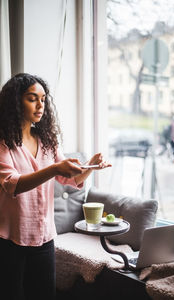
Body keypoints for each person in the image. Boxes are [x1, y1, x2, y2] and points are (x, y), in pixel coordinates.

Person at [0, 73, 111, 300]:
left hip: (45, 238)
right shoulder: (3, 143)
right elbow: (12, 184)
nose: (40, 105)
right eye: (32, 98)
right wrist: (53, 169)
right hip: (11, 241)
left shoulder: (47, 141)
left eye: (43, 98)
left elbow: (70, 179)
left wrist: (91, 166)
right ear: (15, 102)